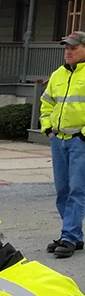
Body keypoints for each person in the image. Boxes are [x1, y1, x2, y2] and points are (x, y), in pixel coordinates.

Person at [40, 31, 85, 258]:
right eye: (66, 48)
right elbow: (46, 103)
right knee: (63, 191)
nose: (68, 52)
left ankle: (68, 236)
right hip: (58, 141)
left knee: (77, 190)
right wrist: (48, 129)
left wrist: (83, 135)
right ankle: (74, 236)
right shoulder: (58, 74)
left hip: (80, 141)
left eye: (73, 48)